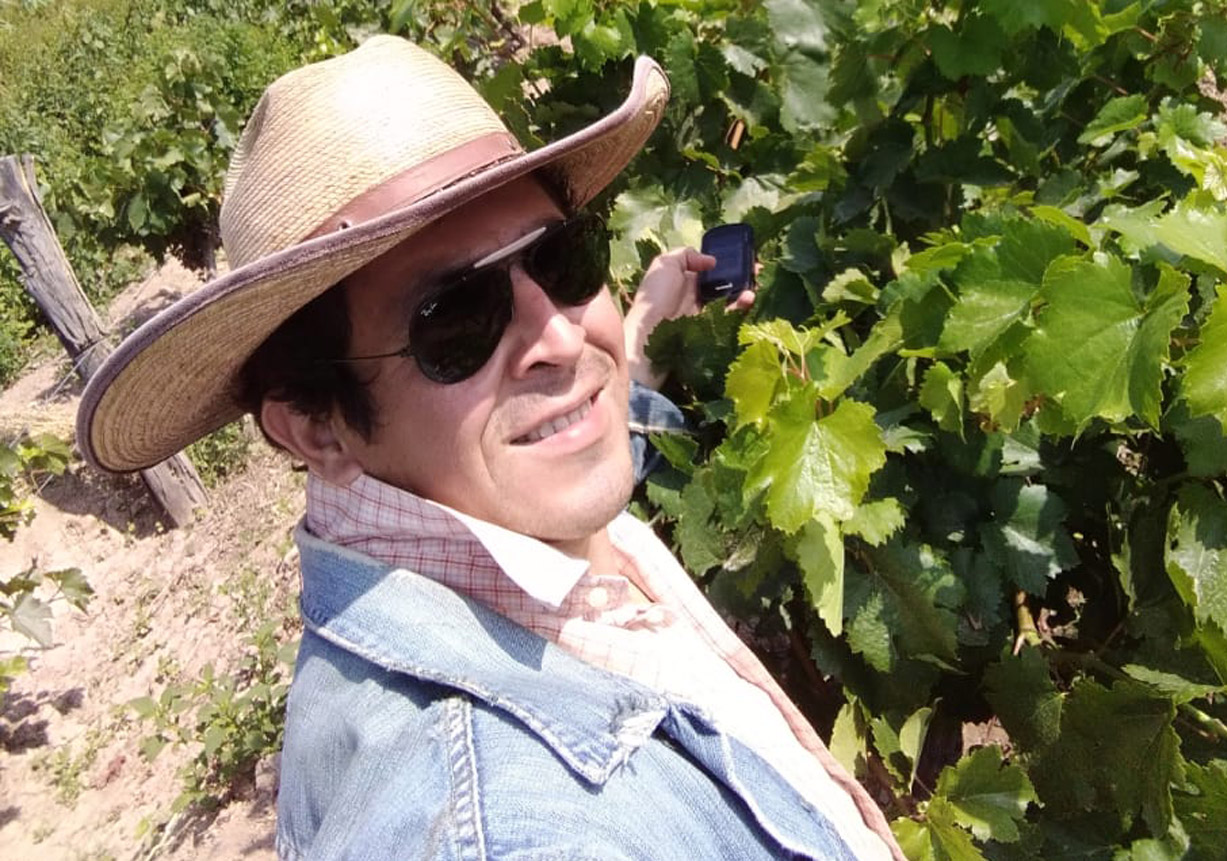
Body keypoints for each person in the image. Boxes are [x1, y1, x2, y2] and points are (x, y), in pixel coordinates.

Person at [76, 36, 903, 860]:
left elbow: (571, 424)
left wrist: (640, 329)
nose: (557, 332)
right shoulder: (499, 826)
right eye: (458, 320)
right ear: (313, 424)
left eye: (563, 259)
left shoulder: (495, 513)